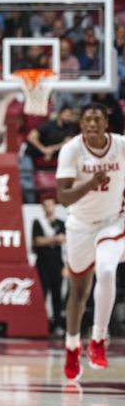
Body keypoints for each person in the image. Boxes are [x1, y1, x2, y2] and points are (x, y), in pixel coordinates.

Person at [56, 103, 125, 379]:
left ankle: (98, 340)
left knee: (107, 270)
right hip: (80, 226)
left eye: (97, 119)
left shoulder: (120, 146)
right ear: (81, 124)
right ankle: (72, 345)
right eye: (87, 120)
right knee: (78, 293)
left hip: (113, 221)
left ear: (106, 123)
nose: (92, 124)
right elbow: (63, 198)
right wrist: (90, 184)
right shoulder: (72, 150)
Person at [31, 195, 66, 335]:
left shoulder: (61, 223)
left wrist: (49, 240)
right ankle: (40, 324)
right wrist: (54, 240)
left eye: (51, 205)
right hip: (42, 263)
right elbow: (37, 241)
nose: (49, 208)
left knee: (57, 295)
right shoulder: (38, 222)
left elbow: (64, 239)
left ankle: (57, 324)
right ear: (42, 207)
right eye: (46, 205)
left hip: (57, 263)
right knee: (42, 294)